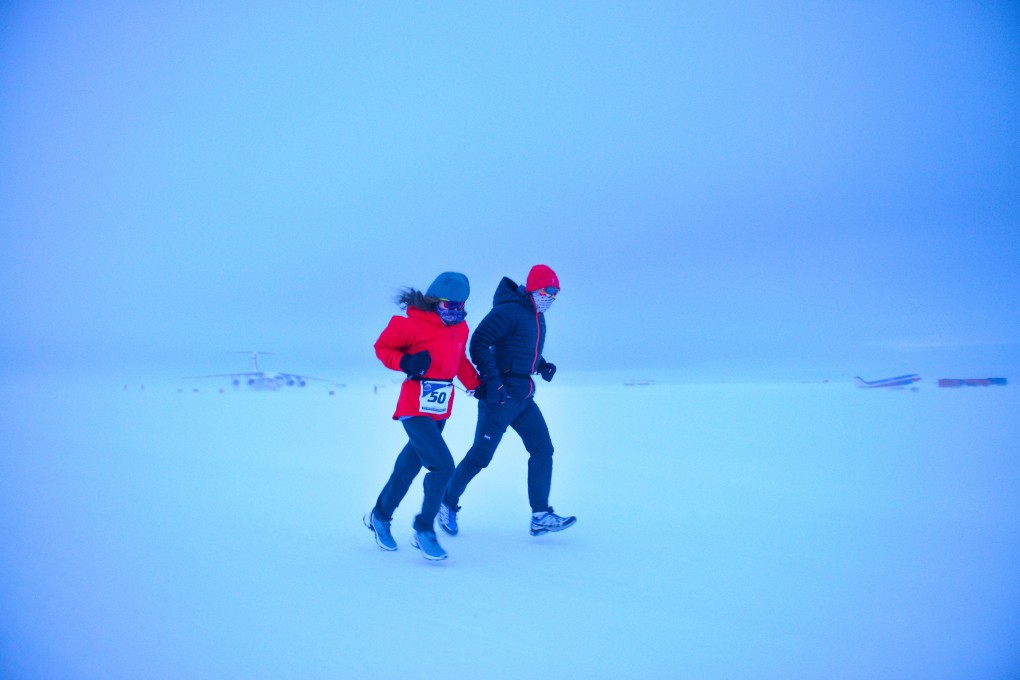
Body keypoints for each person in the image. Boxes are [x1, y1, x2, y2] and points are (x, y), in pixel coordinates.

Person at [439, 264, 576, 537]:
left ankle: (540, 515)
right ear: (534, 288)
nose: (551, 297)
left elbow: (520, 349)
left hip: (524, 397)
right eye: (548, 291)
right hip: (500, 399)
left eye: (556, 293)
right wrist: (494, 382)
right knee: (480, 457)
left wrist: (542, 365)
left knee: (542, 449)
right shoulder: (509, 310)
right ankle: (446, 503)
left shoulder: (537, 317)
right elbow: (479, 342)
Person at [365, 272, 480, 561]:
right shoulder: (409, 324)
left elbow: (460, 361)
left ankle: (379, 516)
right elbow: (382, 348)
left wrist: (477, 385)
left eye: (459, 306)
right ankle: (424, 529)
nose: (453, 311)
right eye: (447, 305)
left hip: (439, 410)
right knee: (443, 466)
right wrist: (405, 361)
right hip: (414, 407)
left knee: (407, 468)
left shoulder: (460, 328)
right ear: (433, 301)